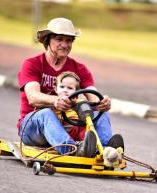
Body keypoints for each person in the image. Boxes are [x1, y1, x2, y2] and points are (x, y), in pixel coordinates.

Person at [17, 17, 124, 158]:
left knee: (101, 113)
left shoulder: (79, 68)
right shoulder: (32, 64)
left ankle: (106, 153)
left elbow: (94, 97)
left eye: (68, 40)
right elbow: (32, 97)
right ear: (47, 40)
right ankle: (71, 150)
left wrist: (103, 102)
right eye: (59, 39)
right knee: (46, 113)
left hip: (67, 126)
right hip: (33, 129)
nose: (64, 44)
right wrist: (55, 101)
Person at [53, 71, 86, 142]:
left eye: (70, 88)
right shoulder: (53, 102)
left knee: (85, 125)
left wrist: (75, 104)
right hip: (60, 132)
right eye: (62, 87)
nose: (65, 90)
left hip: (76, 129)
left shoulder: (78, 102)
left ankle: (88, 144)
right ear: (56, 89)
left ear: (76, 92)